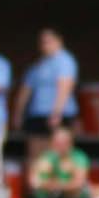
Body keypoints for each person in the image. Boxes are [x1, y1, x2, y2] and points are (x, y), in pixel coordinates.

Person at [13, 29, 79, 164]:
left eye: (48, 41)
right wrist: (18, 113)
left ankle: (60, 184)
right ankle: (37, 183)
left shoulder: (65, 60)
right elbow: (26, 90)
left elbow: (65, 87)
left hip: (58, 115)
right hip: (37, 114)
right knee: (35, 154)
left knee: (59, 153)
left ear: (59, 41)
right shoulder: (38, 64)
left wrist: (57, 112)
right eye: (42, 42)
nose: (45, 45)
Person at [29, 126, 91, 198]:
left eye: (62, 143)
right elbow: (34, 181)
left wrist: (55, 185)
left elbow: (79, 183)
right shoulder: (47, 157)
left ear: (70, 143)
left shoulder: (78, 157)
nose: (58, 146)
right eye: (56, 143)